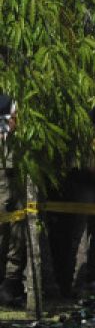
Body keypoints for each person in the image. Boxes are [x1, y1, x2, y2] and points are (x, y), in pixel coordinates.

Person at [0, 93, 24, 306]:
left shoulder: (7, 100)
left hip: (10, 168)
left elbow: (13, 125)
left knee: (15, 225)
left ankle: (11, 280)